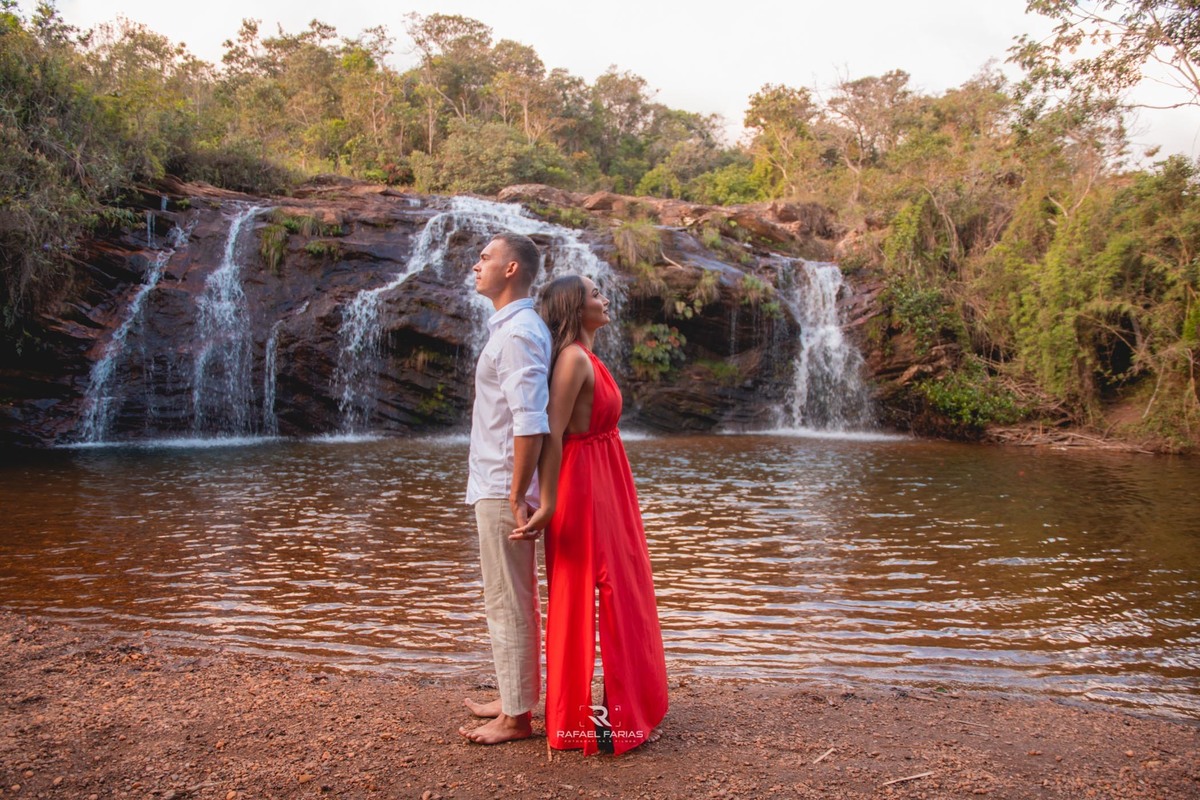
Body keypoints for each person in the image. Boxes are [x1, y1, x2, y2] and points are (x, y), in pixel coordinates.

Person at [514, 274, 669, 756]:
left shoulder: (589, 355)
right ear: (576, 309)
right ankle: (574, 721)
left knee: (623, 588)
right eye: (595, 294)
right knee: (581, 593)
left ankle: (622, 710)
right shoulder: (572, 360)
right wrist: (548, 501)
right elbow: (552, 434)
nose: (605, 298)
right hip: (582, 485)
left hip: (608, 478)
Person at [459, 232, 552, 745]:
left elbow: (529, 421)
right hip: (495, 482)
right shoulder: (511, 328)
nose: (477, 265)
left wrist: (518, 495)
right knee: (505, 596)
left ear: (512, 268)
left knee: (508, 600)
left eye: (486, 257)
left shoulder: (517, 334)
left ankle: (516, 717)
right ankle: (513, 695)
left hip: (502, 486)